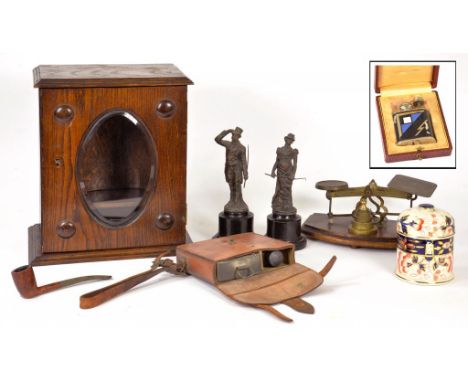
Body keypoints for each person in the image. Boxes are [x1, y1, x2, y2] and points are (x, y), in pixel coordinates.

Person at [215, 127, 249, 213]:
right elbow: (217, 139)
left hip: (237, 168)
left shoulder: (242, 148)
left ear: (238, 136)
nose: (232, 136)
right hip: (229, 167)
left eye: (234, 135)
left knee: (237, 184)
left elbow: (244, 161)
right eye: (232, 134)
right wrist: (227, 131)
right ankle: (232, 200)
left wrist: (245, 172)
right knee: (231, 183)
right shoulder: (228, 144)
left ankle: (238, 202)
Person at [270, 133, 298, 215]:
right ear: (285, 139)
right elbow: (277, 161)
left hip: (288, 173)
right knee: (281, 188)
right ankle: (279, 204)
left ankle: (287, 205)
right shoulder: (280, 150)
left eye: (291, 140)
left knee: (287, 188)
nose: (290, 141)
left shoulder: (294, 151)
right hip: (280, 172)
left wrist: (293, 174)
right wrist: (272, 171)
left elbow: (295, 164)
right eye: (289, 139)